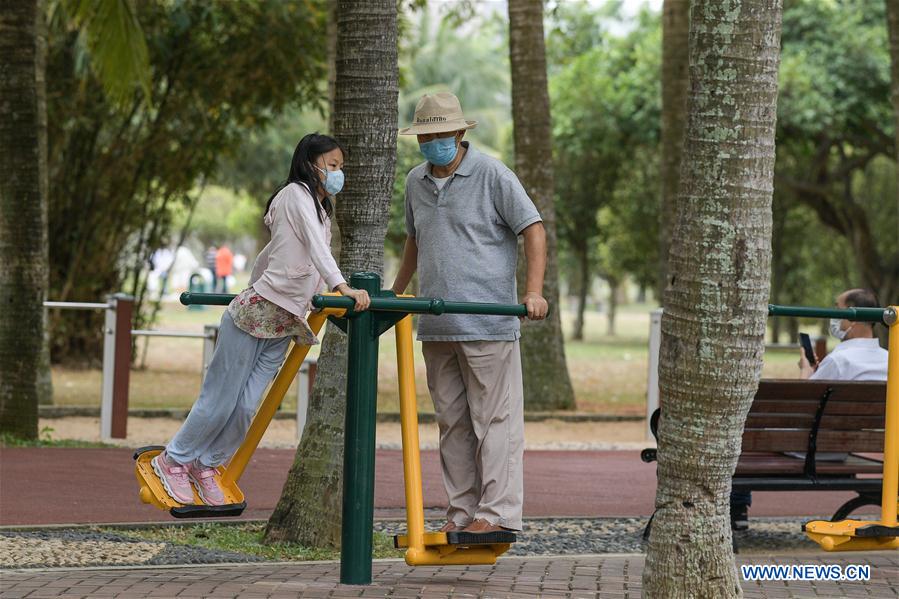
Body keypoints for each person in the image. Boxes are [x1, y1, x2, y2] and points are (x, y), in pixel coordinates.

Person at [152, 133, 370, 506]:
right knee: (221, 397)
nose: (338, 174)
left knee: (247, 404)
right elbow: (317, 253)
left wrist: (323, 296)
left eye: (341, 168)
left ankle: (206, 463)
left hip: (285, 320)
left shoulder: (320, 210)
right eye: (333, 166)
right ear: (309, 164)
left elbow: (281, 254)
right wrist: (342, 285)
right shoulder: (293, 196)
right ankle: (173, 459)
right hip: (257, 311)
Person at [391, 92, 548, 535]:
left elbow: (532, 229)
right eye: (426, 136)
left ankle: (496, 516)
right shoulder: (415, 181)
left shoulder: (492, 174)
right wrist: (396, 294)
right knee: (452, 424)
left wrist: (534, 292)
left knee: (494, 420)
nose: (433, 142)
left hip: (486, 322)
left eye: (440, 134)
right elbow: (414, 241)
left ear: (460, 133)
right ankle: (461, 515)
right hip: (437, 324)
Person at [731, 288, 888, 530]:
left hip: (809, 449)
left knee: (740, 434)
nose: (832, 317)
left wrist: (806, 369)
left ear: (854, 318)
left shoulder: (839, 360)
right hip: (846, 447)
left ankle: (737, 507)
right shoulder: (890, 360)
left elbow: (802, 410)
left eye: (837, 310)